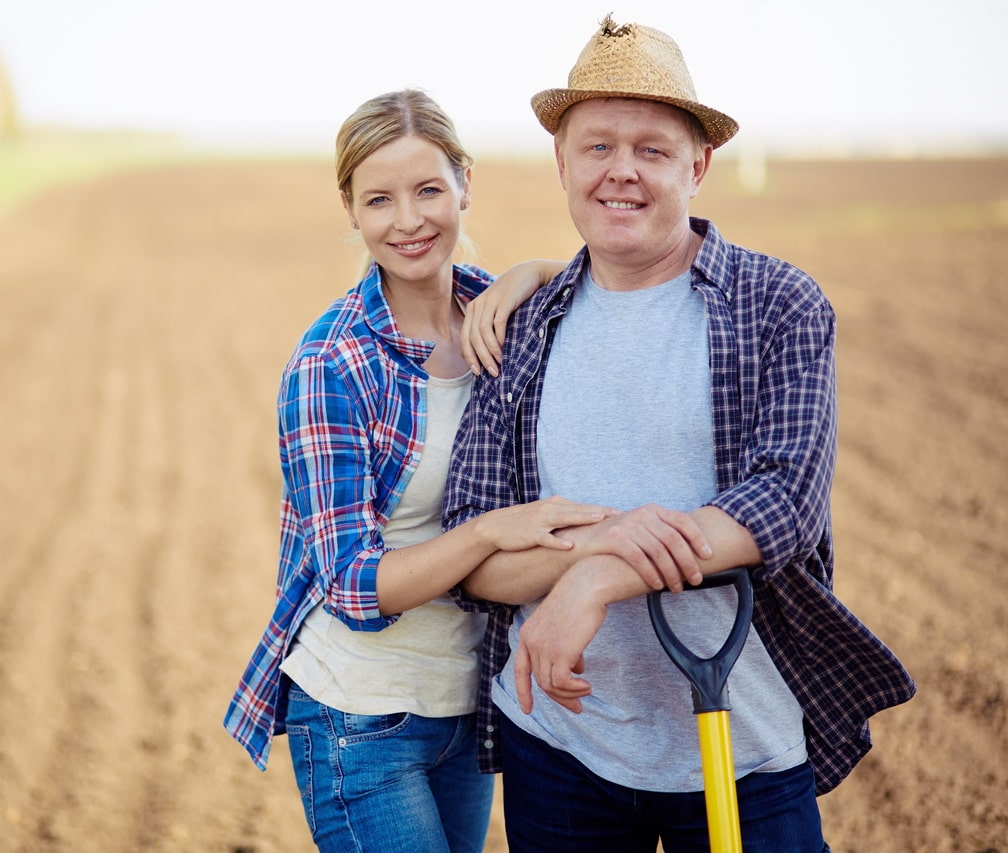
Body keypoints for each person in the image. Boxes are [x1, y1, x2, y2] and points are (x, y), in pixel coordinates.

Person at [442, 15, 916, 851]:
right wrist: (598, 555)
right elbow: (474, 558)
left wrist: (596, 577)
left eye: (653, 150)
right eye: (597, 147)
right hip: (559, 750)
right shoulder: (519, 329)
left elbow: (784, 504)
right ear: (562, 160)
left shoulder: (779, 306)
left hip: (745, 750)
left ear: (698, 166)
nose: (621, 170)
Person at [223, 89, 608, 853]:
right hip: (359, 716)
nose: (408, 220)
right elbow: (353, 586)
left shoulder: (497, 310)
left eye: (429, 189)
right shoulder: (331, 362)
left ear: (465, 183)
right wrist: (492, 531)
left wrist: (535, 270)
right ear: (351, 210)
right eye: (380, 200)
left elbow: (622, 289)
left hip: (465, 705)